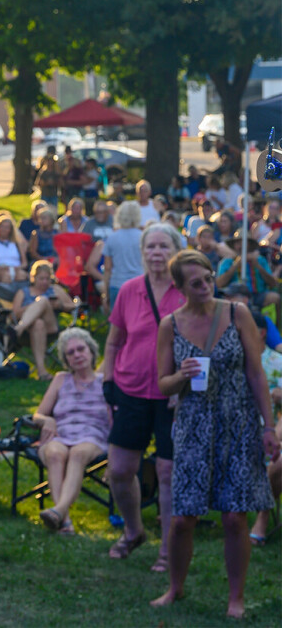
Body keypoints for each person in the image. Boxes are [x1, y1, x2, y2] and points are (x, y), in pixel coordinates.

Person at [152, 250, 279, 618]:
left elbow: (256, 374)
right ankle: (175, 588)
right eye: (196, 283)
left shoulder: (236, 313)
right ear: (180, 288)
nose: (206, 287)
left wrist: (268, 427)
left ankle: (235, 598)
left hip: (238, 422)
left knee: (235, 516)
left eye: (208, 278)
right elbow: (163, 385)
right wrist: (182, 376)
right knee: (182, 518)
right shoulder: (170, 325)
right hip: (193, 426)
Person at [99, 223, 184, 571]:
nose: (156, 253)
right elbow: (114, 341)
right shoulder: (130, 290)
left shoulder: (186, 292)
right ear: (142, 251)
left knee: (166, 471)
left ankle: (168, 550)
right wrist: (107, 382)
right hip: (131, 388)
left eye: (164, 246)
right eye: (150, 247)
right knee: (119, 470)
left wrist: (184, 388)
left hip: (172, 394)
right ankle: (134, 531)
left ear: (175, 250)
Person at [32, 328, 111, 534]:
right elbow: (38, 415)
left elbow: (116, 420)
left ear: (92, 351)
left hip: (92, 437)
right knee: (55, 453)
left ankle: (58, 512)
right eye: (70, 353)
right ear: (66, 360)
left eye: (80, 349)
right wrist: (47, 420)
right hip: (60, 434)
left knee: (77, 453)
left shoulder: (106, 382)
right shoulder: (60, 379)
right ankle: (64, 519)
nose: (77, 355)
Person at [12, 261, 77, 382]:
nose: (45, 282)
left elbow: (73, 306)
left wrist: (60, 305)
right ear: (34, 278)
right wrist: (34, 306)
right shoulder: (23, 292)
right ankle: (42, 372)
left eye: (47, 279)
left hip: (51, 328)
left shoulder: (55, 289)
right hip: (30, 332)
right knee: (38, 323)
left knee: (43, 300)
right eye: (41, 278)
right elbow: (14, 314)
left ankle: (17, 329)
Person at [97, 201, 143, 310]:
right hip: (139, 284)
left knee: (117, 324)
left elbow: (107, 268)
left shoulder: (112, 238)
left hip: (117, 285)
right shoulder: (143, 237)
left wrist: (105, 294)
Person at [0, 211, 29, 284]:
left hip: (16, 268)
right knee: (6, 276)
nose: (4, 229)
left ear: (10, 230)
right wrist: (0, 268)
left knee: (22, 275)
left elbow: (24, 263)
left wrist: (16, 268)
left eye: (7, 227)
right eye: (2, 226)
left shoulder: (16, 244)